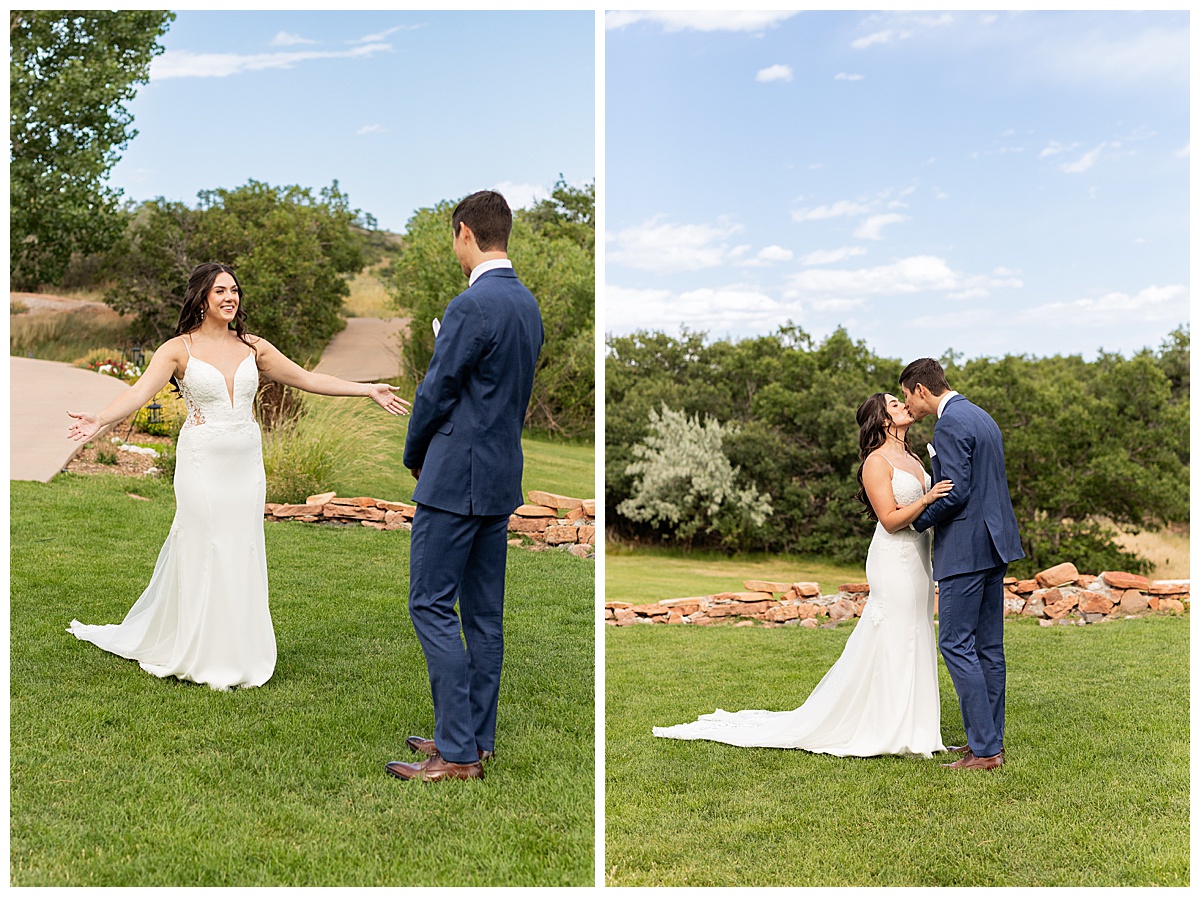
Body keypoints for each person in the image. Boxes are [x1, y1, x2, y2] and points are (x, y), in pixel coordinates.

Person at [66, 262, 409, 691]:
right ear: (201, 299)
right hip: (201, 463)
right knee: (204, 543)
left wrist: (367, 389)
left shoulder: (254, 347)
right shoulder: (177, 350)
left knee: (240, 548)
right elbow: (138, 393)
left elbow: (304, 378)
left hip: (246, 465)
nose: (230, 298)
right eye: (220, 291)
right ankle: (196, 648)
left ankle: (237, 651)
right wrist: (98, 418)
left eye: (234, 290)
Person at [653, 393, 953, 758]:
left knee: (917, 633)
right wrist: (927, 499)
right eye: (893, 403)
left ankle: (918, 729)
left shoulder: (914, 456)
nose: (903, 405)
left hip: (921, 559)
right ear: (881, 419)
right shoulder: (875, 462)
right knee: (895, 636)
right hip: (894, 560)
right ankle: (887, 728)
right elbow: (889, 521)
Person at [385, 190, 543, 783]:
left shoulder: (470, 306)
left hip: (455, 479)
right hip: (501, 476)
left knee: (429, 603)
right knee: (483, 613)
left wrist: (414, 453)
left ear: (464, 234)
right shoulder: (527, 305)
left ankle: (456, 753)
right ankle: (476, 735)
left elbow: (435, 390)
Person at [901, 358, 1023, 771]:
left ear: (921, 389)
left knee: (955, 643)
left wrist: (914, 521)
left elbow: (954, 493)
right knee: (988, 647)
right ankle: (988, 743)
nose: (908, 405)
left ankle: (985, 751)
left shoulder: (949, 423)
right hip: (995, 544)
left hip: (967, 550)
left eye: (906, 395)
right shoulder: (981, 416)